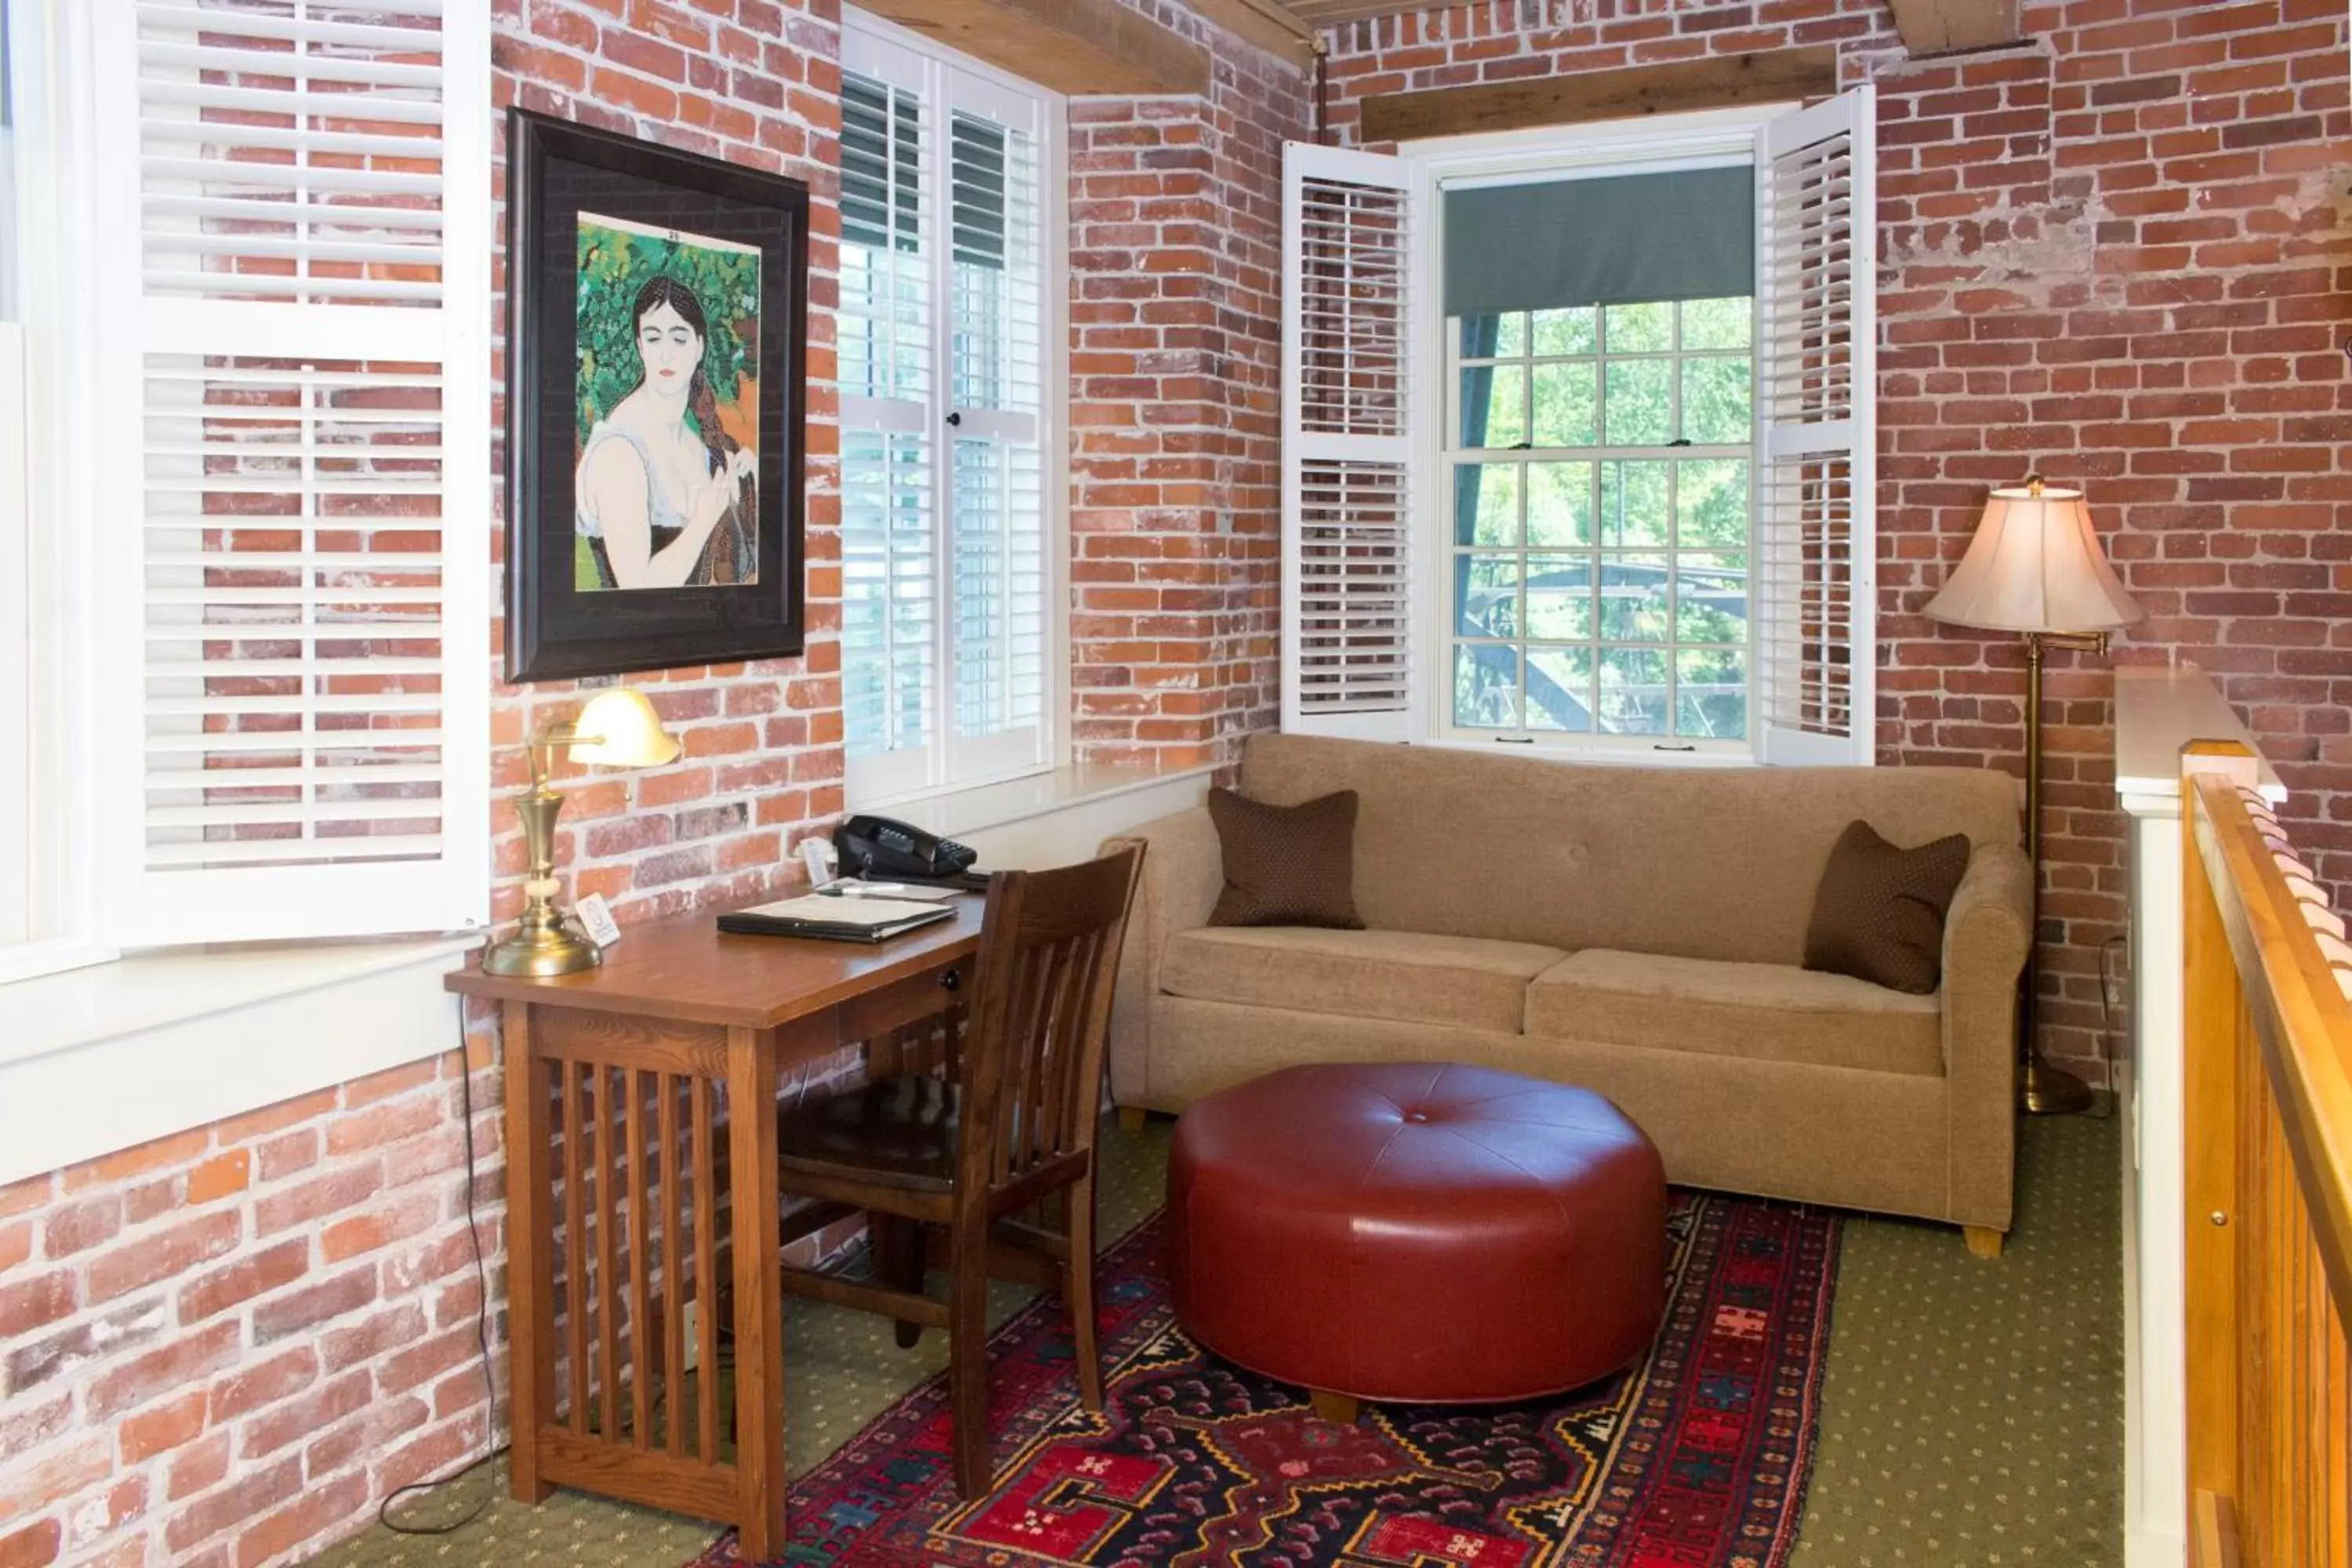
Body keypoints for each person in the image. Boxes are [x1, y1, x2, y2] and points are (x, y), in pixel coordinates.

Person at [575, 274, 757, 590]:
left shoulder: (700, 446)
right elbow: (636, 586)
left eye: (679, 338)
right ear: (639, 346)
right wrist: (702, 523)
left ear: (699, 346)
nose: (666, 355)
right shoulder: (619, 452)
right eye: (654, 338)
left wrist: (752, 487)